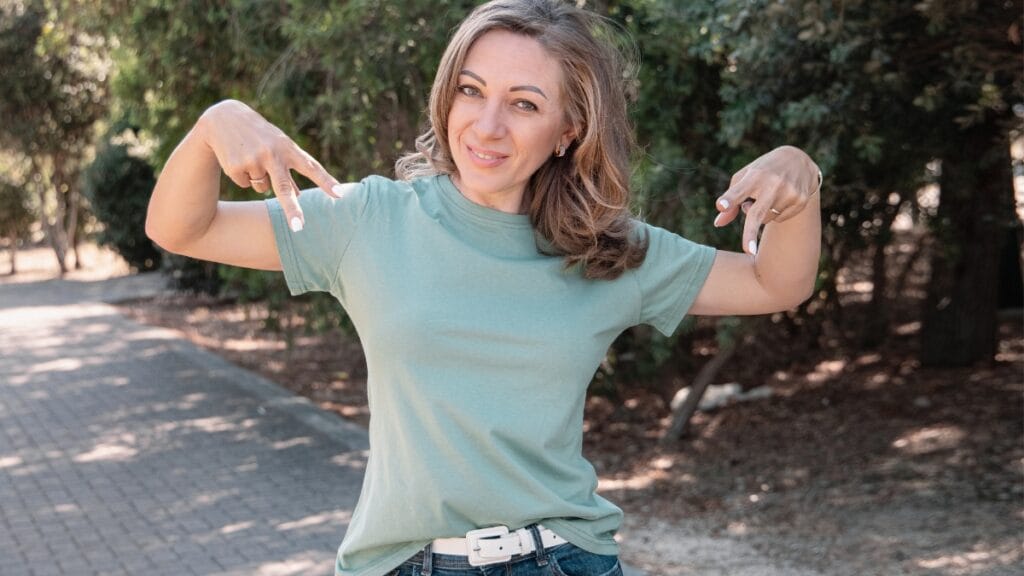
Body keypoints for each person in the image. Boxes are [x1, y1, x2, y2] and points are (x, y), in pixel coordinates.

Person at [145, 1, 822, 575]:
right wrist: (215, 124)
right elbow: (183, 228)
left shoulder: (610, 250)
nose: (487, 125)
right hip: (400, 561)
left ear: (569, 130)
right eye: (471, 91)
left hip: (560, 557)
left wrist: (801, 176)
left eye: (524, 104)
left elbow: (776, 282)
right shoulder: (367, 220)